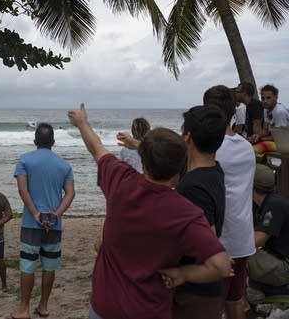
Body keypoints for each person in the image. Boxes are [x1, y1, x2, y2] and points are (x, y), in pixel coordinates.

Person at [69, 103, 233, 319]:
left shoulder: (119, 180)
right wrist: (182, 274)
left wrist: (82, 122)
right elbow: (221, 266)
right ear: (179, 167)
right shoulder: (185, 213)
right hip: (149, 310)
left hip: (104, 307)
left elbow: (97, 148)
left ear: (143, 161)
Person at [8, 123, 75, 319]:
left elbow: (22, 190)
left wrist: (35, 213)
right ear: (53, 141)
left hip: (31, 223)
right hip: (54, 225)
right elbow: (70, 193)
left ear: (35, 140)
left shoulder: (25, 160)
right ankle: (43, 306)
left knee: (28, 265)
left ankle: (24, 308)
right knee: (49, 265)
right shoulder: (64, 165)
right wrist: (56, 214)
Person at [204, 85, 256, 319]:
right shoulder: (246, 148)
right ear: (233, 111)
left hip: (216, 239)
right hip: (242, 236)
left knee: (210, 304)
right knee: (235, 299)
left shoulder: (209, 149)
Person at [172, 105, 227, 319]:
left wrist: (180, 273)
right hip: (203, 290)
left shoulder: (193, 187)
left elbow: (208, 246)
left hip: (195, 292)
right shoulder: (214, 170)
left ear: (187, 137)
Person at [248, 164, 289, 294]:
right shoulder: (264, 203)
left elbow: (257, 240)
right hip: (274, 259)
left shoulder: (274, 204)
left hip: (284, 267)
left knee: (234, 257)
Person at [253, 84, 289, 159]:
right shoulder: (266, 109)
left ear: (276, 98)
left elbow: (280, 138)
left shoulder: (279, 112)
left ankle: (266, 168)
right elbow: (265, 130)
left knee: (253, 150)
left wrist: (260, 139)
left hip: (284, 143)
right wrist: (257, 136)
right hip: (278, 141)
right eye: (262, 98)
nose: (265, 101)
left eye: (268, 98)